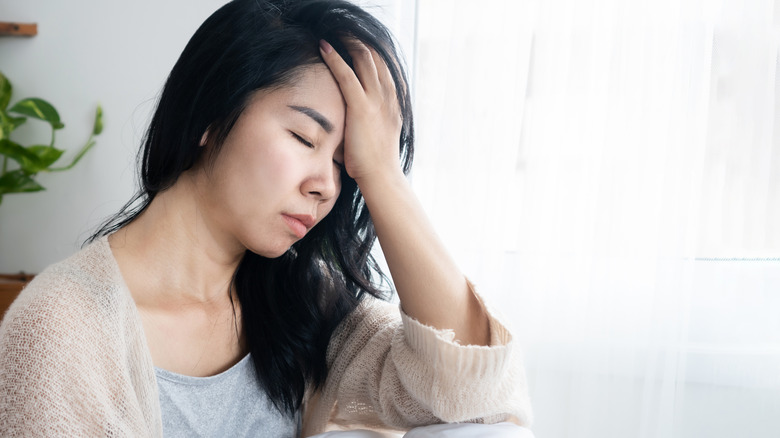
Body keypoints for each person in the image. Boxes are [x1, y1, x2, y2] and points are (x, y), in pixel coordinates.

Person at [0, 0, 533, 436]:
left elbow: (472, 395)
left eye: (344, 165)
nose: (326, 185)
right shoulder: (60, 328)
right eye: (304, 138)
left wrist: (383, 176)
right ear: (211, 115)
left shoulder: (303, 300)